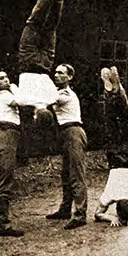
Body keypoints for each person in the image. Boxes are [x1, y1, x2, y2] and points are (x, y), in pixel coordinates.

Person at [94, 66, 128, 226]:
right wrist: (111, 217)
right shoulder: (110, 196)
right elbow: (98, 213)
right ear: (115, 207)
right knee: (111, 121)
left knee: (126, 119)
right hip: (115, 160)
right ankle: (110, 90)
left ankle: (117, 90)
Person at [15, 0, 67, 124]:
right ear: (35, 116)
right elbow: (11, 88)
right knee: (32, 23)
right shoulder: (23, 101)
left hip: (46, 64)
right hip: (28, 62)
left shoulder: (53, 98)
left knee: (51, 27)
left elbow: (60, 91)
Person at [46, 64, 88, 230]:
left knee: (76, 174)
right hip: (64, 133)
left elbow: (47, 100)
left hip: (73, 132)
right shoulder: (57, 92)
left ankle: (80, 214)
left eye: (61, 73)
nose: (56, 75)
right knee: (66, 174)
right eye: (55, 72)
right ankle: (65, 210)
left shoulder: (66, 94)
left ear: (70, 77)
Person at [0, 70, 24, 237]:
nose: (6, 80)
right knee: (4, 181)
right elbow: (21, 101)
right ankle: (2, 225)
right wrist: (15, 88)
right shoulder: (5, 94)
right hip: (6, 136)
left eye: (7, 77)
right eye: (1, 78)